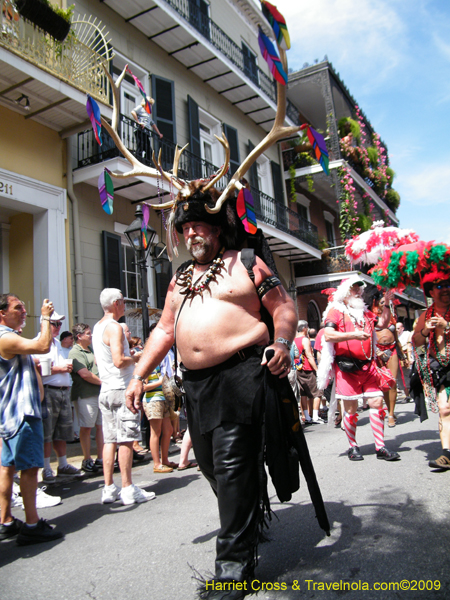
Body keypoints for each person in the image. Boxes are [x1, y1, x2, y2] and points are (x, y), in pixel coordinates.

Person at [125, 186, 297, 593]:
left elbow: (283, 308)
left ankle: (232, 570)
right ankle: (248, 515)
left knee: (234, 466)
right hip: (196, 386)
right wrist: (138, 374)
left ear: (219, 230)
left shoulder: (248, 264)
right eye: (185, 228)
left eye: (199, 226)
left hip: (242, 377)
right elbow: (165, 329)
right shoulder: (180, 278)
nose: (191, 235)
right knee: (210, 466)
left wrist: (284, 342)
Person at [0, 294, 63, 545]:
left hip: (9, 415)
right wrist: (45, 317)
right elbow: (42, 346)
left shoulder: (9, 337)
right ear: (2, 312)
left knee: (7, 468)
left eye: (25, 307)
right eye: (18, 308)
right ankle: (32, 524)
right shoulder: (5, 338)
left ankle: (5, 521)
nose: (24, 311)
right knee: (29, 469)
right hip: (22, 414)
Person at [318, 274, 400, 462]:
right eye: (354, 289)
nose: (358, 292)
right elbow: (329, 335)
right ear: (345, 292)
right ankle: (353, 446)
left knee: (377, 402)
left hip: (368, 366)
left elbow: (383, 324)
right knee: (351, 409)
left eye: (359, 289)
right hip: (347, 368)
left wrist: (386, 303)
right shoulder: (336, 311)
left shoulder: (365, 312)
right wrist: (353, 335)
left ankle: (380, 446)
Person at [92, 289, 155, 505]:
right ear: (117, 303)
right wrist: (136, 357)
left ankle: (109, 487)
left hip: (107, 389)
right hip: (121, 388)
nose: (125, 305)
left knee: (110, 440)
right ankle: (128, 488)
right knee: (127, 439)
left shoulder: (97, 327)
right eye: (124, 301)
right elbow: (119, 361)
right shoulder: (114, 327)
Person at [35, 312, 82, 483]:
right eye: (55, 324)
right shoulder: (38, 343)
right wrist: (60, 369)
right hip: (49, 391)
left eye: (59, 324)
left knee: (62, 431)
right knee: (48, 431)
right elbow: (39, 368)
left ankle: (62, 464)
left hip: (63, 391)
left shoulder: (56, 344)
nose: (58, 327)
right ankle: (46, 468)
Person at [413, 277, 450, 470]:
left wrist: (446, 326)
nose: (445, 289)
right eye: (440, 286)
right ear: (431, 292)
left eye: (448, 285)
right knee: (445, 409)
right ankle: (447, 454)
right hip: (443, 369)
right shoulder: (426, 315)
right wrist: (426, 331)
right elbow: (417, 342)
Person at [69, 323, 103, 473]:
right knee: (87, 427)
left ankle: (101, 458)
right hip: (85, 394)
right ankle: (87, 458)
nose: (91, 336)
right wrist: (104, 382)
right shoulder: (75, 352)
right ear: (79, 336)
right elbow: (85, 374)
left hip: (98, 393)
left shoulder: (90, 350)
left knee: (101, 426)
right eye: (88, 333)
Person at [369, 291, 406, 428]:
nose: (384, 304)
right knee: (384, 382)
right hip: (378, 351)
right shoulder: (372, 317)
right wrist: (375, 351)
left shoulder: (391, 317)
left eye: (386, 302)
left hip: (392, 349)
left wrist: (402, 354)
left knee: (393, 382)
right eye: (382, 302)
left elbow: (395, 336)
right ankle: (388, 410)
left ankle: (391, 413)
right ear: (377, 302)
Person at [294, 321, 324, 424]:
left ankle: (306, 416)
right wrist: (316, 370)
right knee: (317, 393)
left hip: (298, 369)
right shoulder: (304, 339)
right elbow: (309, 356)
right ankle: (315, 416)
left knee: (303, 393)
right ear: (304, 328)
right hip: (308, 369)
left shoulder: (294, 339)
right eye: (307, 327)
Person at [396, 321, 412, 401]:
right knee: (400, 377)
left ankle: (412, 393)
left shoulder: (407, 334)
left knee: (408, 374)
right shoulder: (395, 336)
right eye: (396, 328)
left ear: (402, 328)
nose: (397, 330)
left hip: (407, 357)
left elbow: (409, 345)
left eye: (398, 328)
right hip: (398, 358)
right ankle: (407, 395)